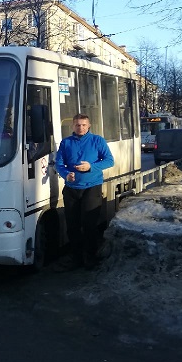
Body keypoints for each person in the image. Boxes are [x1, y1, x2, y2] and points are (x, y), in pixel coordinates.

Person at [55, 113, 114, 269]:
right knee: (72, 226)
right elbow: (59, 163)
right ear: (72, 126)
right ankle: (76, 259)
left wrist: (91, 167)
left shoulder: (97, 141)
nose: (80, 127)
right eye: (77, 125)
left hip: (92, 187)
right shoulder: (66, 143)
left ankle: (91, 258)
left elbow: (109, 160)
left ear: (88, 126)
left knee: (89, 225)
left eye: (83, 125)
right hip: (71, 189)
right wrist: (66, 174)